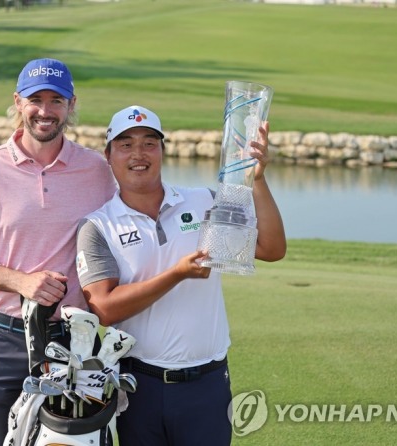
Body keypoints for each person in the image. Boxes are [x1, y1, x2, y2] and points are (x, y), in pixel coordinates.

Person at [75, 105, 286, 446]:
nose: (138, 154)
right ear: (108, 154)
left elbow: (271, 247)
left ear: (162, 150)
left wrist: (257, 179)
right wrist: (176, 274)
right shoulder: (98, 226)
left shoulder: (203, 202)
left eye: (149, 143)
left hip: (208, 384)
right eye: (125, 144)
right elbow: (104, 308)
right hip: (137, 386)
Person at [0, 58, 117, 446]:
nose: (45, 111)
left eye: (56, 100)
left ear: (71, 105)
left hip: (77, 342)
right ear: (17, 102)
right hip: (4, 338)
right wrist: (20, 281)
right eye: (35, 99)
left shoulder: (98, 171)